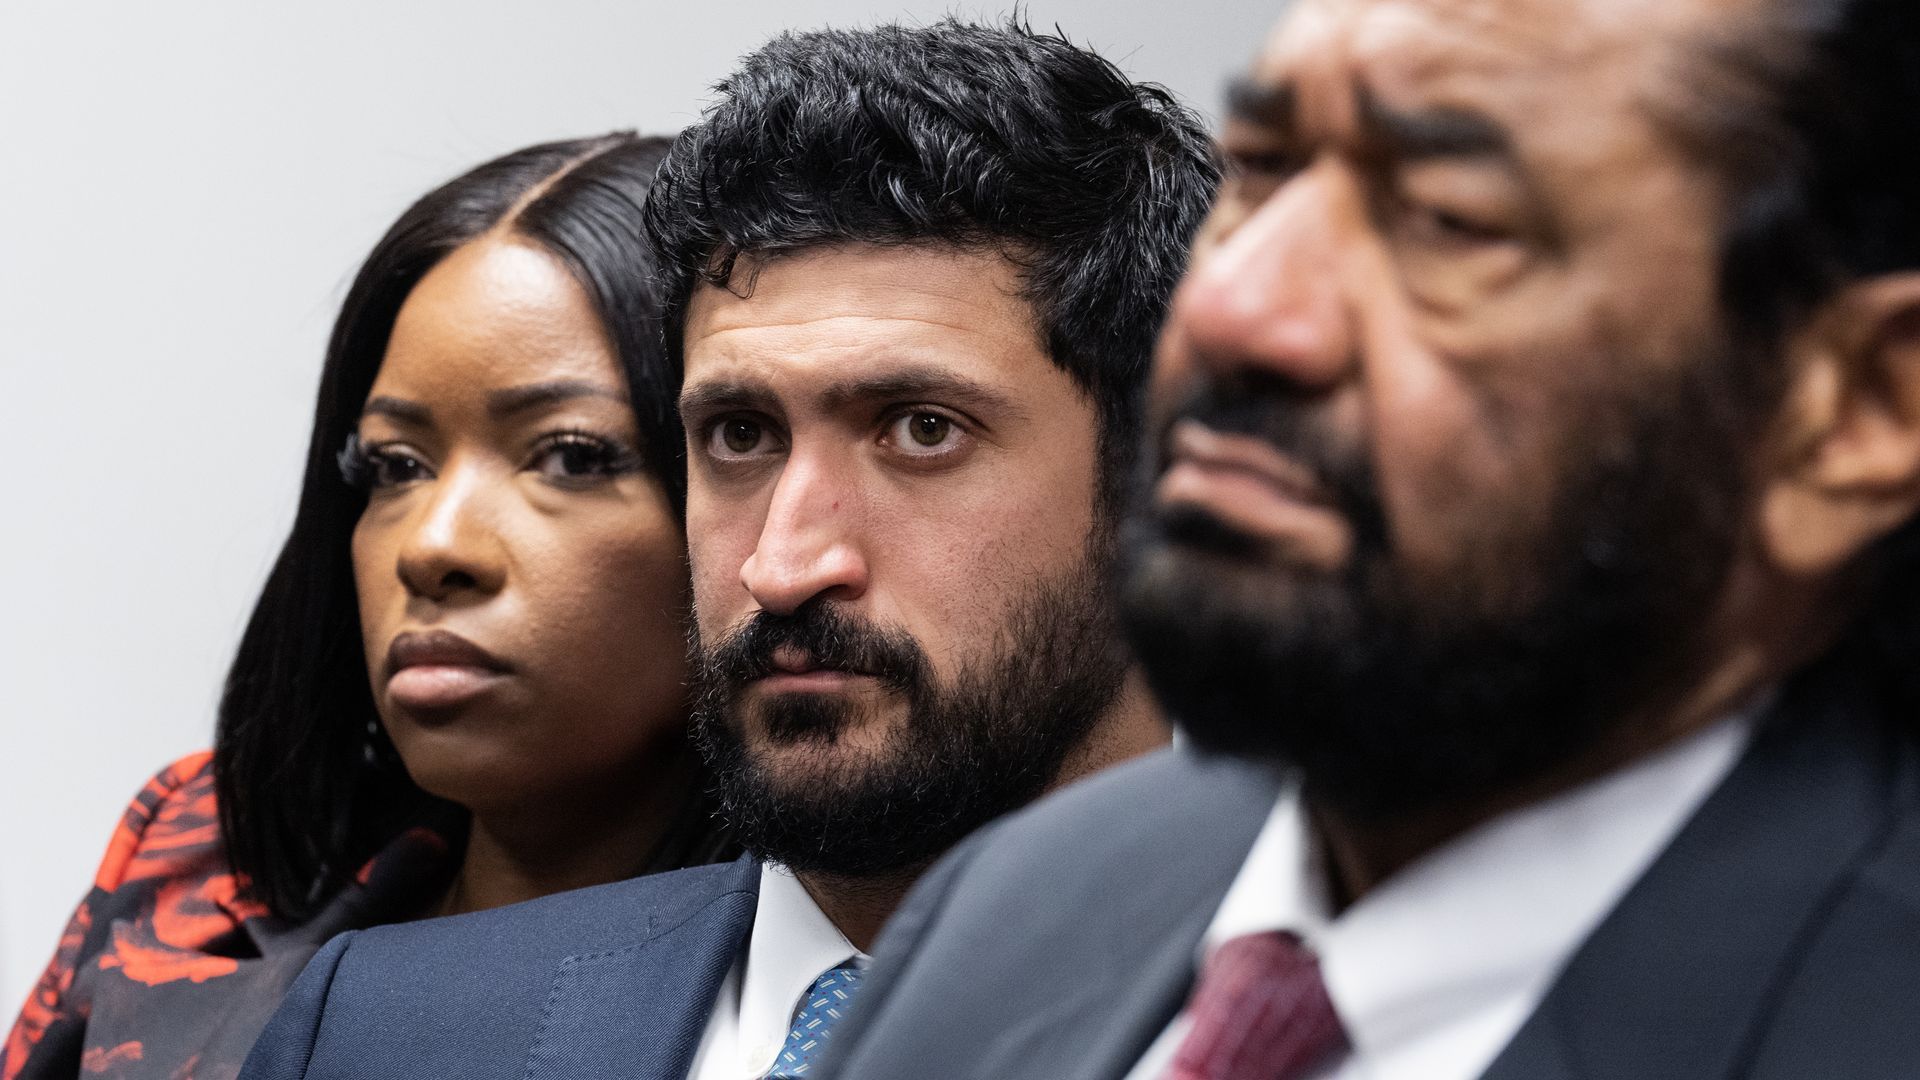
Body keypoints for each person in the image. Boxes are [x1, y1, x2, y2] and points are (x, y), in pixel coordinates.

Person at [816, 0, 1920, 1078]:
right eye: (1261, 170)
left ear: (1858, 413)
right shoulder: (1021, 903)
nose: (1234, 307)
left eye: (1450, 219)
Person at [234, 19, 1220, 1080]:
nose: (783, 567)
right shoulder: (384, 1029)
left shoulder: (1356, 1025)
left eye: (921, 429)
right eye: (740, 436)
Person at [2, 133, 734, 1080]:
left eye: (571, 456)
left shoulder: (840, 980)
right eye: (395, 467)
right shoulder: (198, 859)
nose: (433, 546)